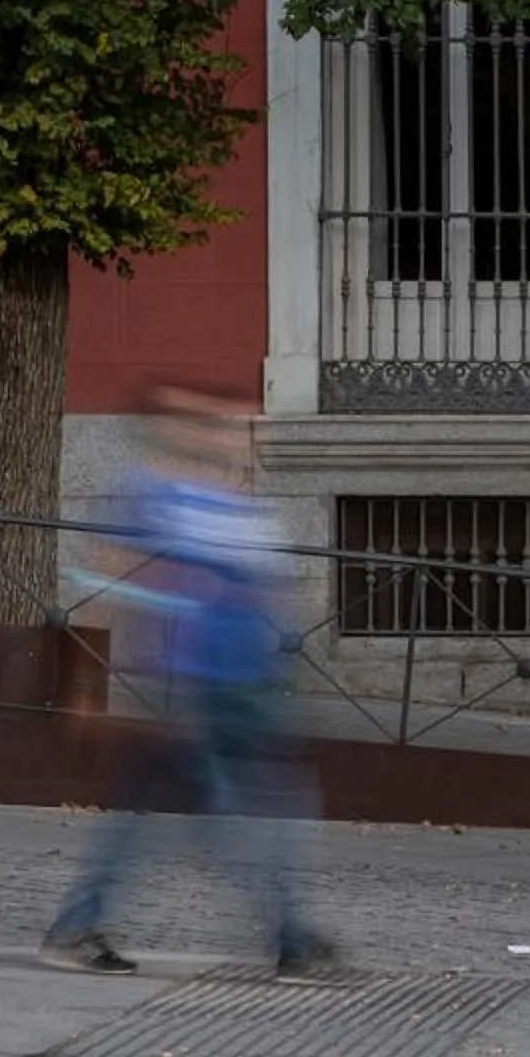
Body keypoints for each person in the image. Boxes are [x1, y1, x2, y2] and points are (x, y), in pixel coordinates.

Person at [44, 387, 342, 979]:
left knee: (163, 815)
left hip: (244, 688)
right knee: (245, 814)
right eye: (204, 423)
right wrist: (106, 687)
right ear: (172, 429)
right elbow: (120, 578)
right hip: (195, 691)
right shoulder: (157, 495)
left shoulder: (226, 500)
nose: (224, 433)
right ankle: (290, 936)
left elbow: (263, 591)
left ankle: (81, 922)